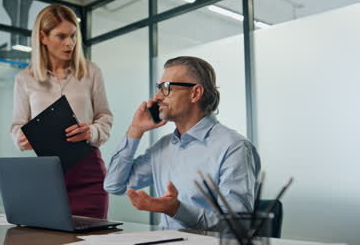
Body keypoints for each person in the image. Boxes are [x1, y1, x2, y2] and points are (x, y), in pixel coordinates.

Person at [104, 56, 260, 230]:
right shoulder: (163, 147)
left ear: (195, 93)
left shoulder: (234, 147)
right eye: (158, 88)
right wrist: (135, 129)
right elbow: (114, 185)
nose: (157, 97)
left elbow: (236, 226)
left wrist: (176, 209)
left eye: (166, 88)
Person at [10, 5, 113, 219]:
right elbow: (17, 124)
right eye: (61, 36)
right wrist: (20, 138)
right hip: (47, 175)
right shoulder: (24, 79)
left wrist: (91, 131)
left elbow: (105, 116)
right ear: (42, 37)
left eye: (73, 36)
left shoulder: (92, 72)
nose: (70, 43)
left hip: (89, 174)